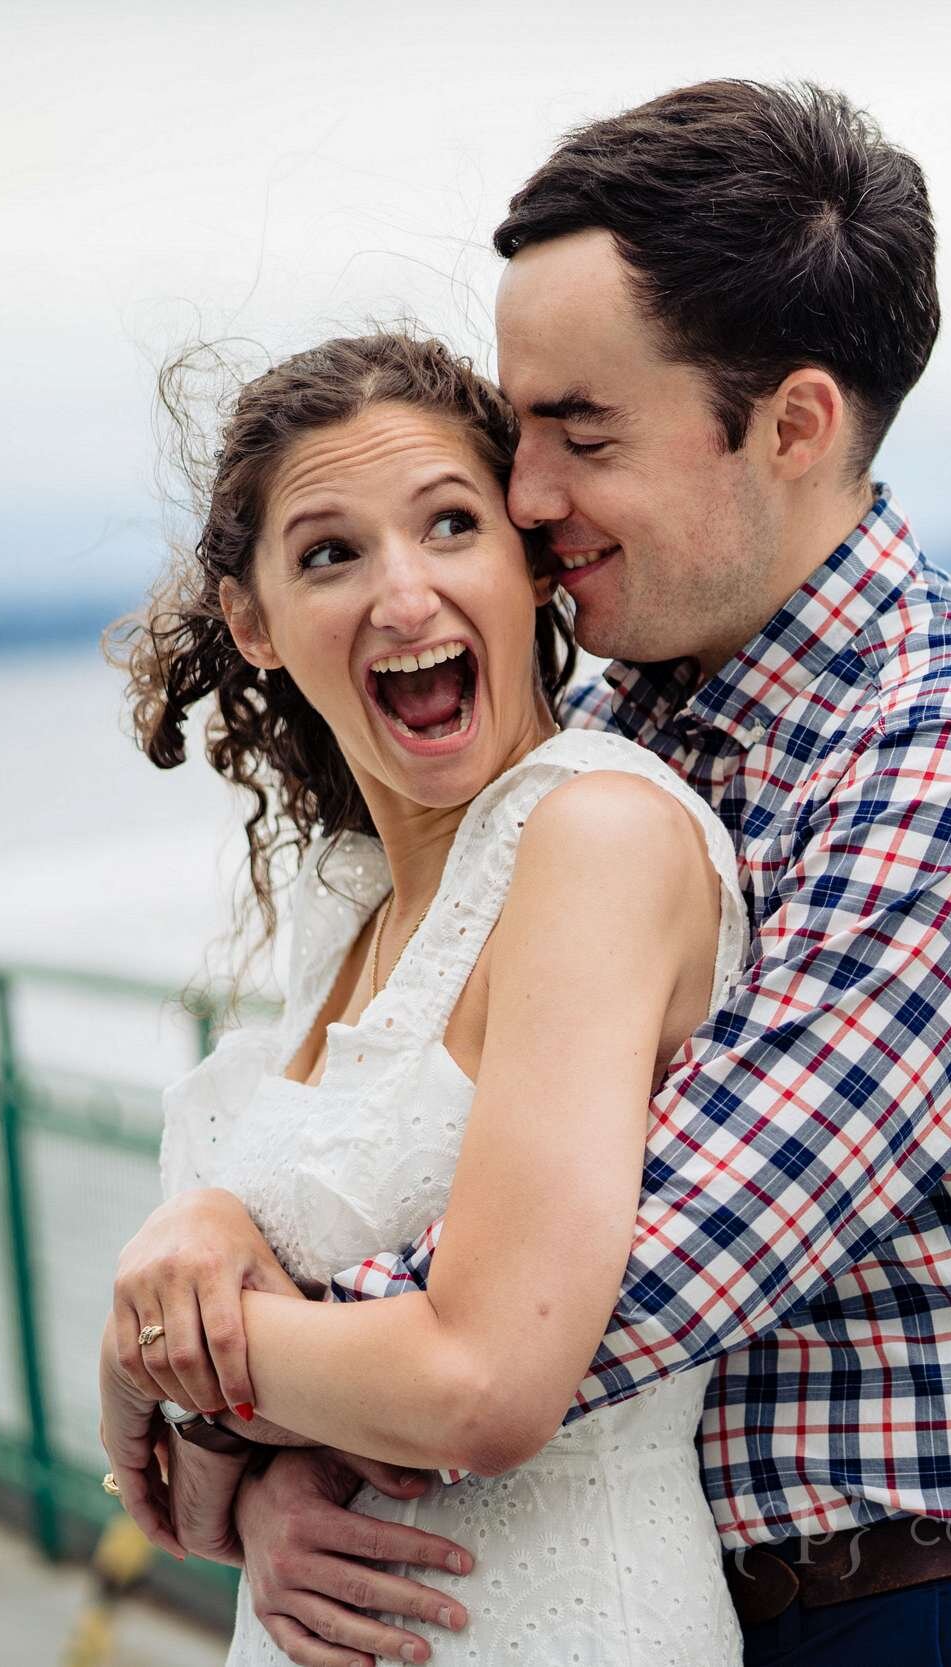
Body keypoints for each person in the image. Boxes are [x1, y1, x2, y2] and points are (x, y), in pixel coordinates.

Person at [110, 79, 951, 1667]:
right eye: (520, 423)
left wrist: (218, 1398)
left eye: (581, 431)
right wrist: (268, 1422)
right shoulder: (607, 737)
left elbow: (643, 1268)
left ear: (794, 425)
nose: (530, 493)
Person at [101, 331, 754, 1666]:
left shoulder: (601, 836)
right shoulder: (349, 906)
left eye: (451, 525)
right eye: (330, 553)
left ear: (527, 565)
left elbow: (485, 1384)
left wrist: (159, 1356)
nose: (405, 596)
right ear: (255, 623)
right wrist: (258, 1445)